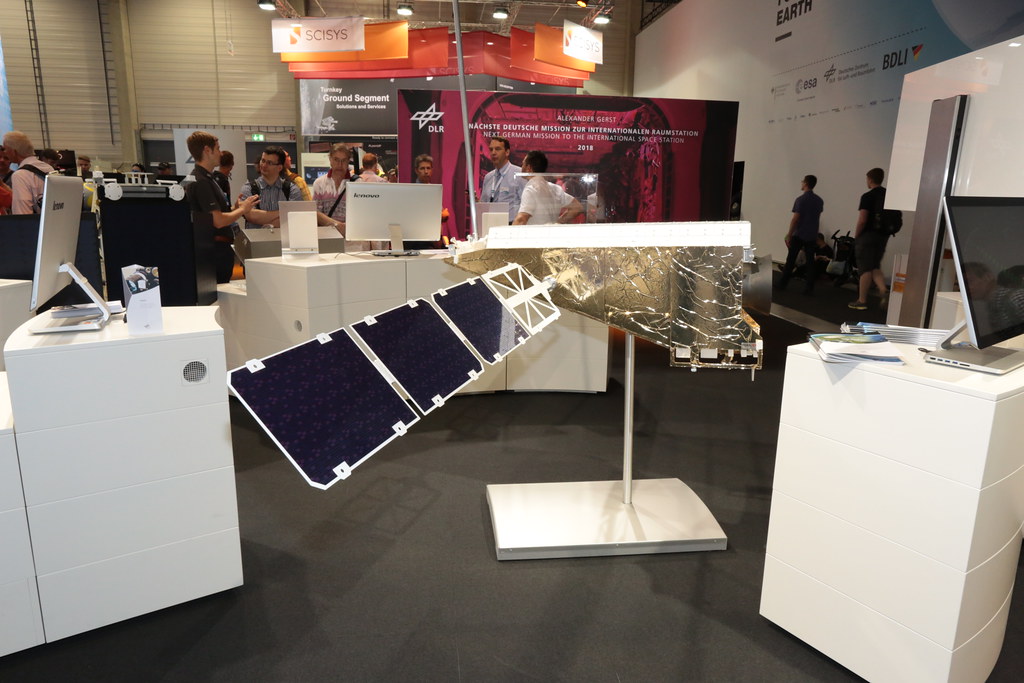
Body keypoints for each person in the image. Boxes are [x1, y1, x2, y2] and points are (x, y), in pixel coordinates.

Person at [183, 131, 259, 284]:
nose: (220, 153)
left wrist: (235, 208)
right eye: (217, 148)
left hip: (213, 250)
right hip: (214, 251)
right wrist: (242, 210)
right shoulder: (202, 181)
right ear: (207, 150)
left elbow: (214, 215)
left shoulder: (205, 178)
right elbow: (217, 221)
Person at [241, 145, 339, 231]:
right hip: (256, 242)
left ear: (279, 167)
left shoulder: (292, 189)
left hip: (285, 243)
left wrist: (265, 218)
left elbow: (295, 217)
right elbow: (251, 216)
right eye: (263, 161)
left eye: (269, 163)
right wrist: (284, 213)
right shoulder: (249, 188)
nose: (264, 165)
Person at [849, 167, 890, 310]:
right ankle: (883, 289)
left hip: (867, 236)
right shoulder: (887, 195)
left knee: (865, 268)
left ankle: (861, 301)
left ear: (870, 179)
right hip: (883, 235)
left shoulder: (867, 196)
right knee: (874, 265)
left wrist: (857, 235)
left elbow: (862, 220)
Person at [777, 174, 825, 294]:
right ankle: (809, 288)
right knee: (810, 262)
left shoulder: (800, 200)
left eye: (803, 181)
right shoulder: (819, 201)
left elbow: (795, 219)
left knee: (791, 260)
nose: (801, 183)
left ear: (806, 183)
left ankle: (782, 284)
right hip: (811, 235)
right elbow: (817, 218)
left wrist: (789, 234)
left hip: (799, 234)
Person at [512, 150, 583, 225]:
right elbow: (577, 207)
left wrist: (509, 232)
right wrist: (558, 223)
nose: (521, 166)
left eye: (523, 164)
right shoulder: (555, 188)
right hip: (551, 231)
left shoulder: (530, 189)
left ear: (529, 168)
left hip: (535, 232)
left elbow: (521, 219)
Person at [2, 131, 54, 214]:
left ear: (13, 152)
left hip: (35, 221)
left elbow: (22, 213)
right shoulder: (48, 168)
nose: (4, 152)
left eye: (5, 149)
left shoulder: (20, 175)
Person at [311, 142, 352, 236]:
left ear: (348, 161)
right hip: (327, 236)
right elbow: (316, 213)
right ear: (330, 159)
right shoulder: (319, 183)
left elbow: (359, 214)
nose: (340, 164)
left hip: (351, 237)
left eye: (343, 160)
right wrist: (337, 225)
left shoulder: (357, 183)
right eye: (336, 159)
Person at [480, 136, 524, 221]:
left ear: (507, 152)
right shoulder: (488, 177)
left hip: (511, 225)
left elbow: (527, 205)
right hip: (491, 223)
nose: (493, 153)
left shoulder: (519, 174)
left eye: (497, 149)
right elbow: (484, 203)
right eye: (491, 149)